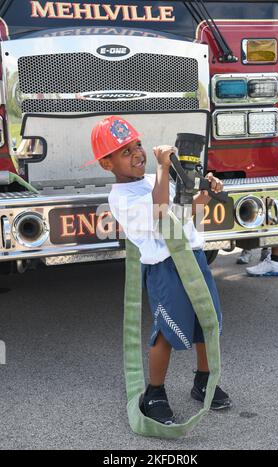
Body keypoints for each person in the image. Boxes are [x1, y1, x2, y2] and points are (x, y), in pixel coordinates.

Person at [90, 116, 232, 425]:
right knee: (166, 331)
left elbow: (183, 213)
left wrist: (205, 193)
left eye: (137, 145)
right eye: (125, 152)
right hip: (165, 268)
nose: (137, 154)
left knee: (207, 322)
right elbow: (158, 214)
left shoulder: (158, 181)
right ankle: (154, 392)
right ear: (106, 164)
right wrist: (164, 168)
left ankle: (203, 380)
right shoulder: (121, 197)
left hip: (193, 257)